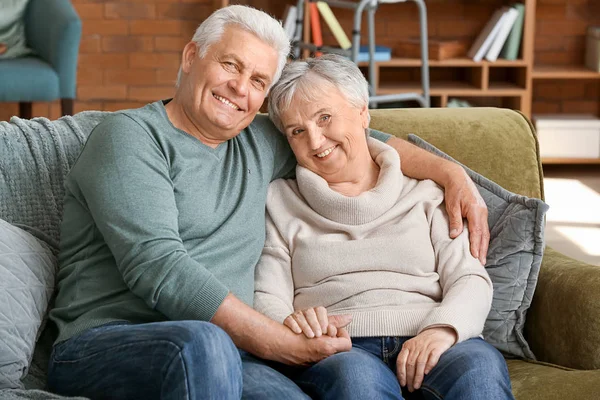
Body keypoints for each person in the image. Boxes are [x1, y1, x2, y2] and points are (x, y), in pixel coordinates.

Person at [47, 5, 490, 400]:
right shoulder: (130, 137)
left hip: (232, 353)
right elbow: (158, 267)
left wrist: (450, 173)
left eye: (258, 80)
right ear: (190, 57)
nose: (240, 88)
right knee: (204, 343)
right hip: (110, 341)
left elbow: (354, 139)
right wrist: (278, 342)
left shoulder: (261, 140)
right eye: (230, 65)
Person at [254, 53, 514, 400]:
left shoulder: (427, 192)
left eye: (325, 117)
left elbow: (470, 278)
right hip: (344, 350)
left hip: (434, 336)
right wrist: (294, 324)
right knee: (355, 380)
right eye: (297, 131)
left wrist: (442, 330)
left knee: (480, 369)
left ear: (363, 112)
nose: (315, 142)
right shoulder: (279, 200)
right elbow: (268, 296)